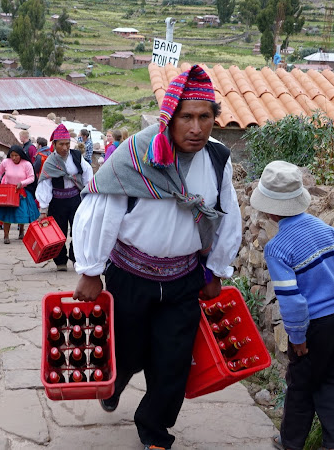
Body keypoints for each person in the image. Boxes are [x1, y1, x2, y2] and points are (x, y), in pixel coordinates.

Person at [72, 65, 242, 450]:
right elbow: (102, 211)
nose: (196, 128)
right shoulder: (137, 155)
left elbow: (228, 214)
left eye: (205, 117)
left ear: (214, 118)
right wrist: (91, 270)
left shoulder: (217, 159)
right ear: (170, 117)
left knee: (172, 362)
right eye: (187, 117)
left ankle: (154, 430)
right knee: (127, 350)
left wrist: (217, 270)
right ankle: (114, 383)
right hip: (130, 277)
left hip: (184, 279)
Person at [249, 160, 334, 450]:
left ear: (270, 209)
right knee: (333, 381)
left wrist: (297, 336)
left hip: (314, 325)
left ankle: (291, 442)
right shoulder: (326, 230)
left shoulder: (278, 248)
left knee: (301, 384)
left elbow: (292, 300)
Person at [36, 124, 93, 271]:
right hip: (57, 202)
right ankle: (60, 261)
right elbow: (45, 184)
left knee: (79, 229)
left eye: (67, 144)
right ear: (54, 144)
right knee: (59, 232)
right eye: (61, 144)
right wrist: (43, 209)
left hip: (75, 199)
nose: (65, 147)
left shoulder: (76, 156)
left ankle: (75, 257)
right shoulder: (50, 162)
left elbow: (87, 174)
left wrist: (88, 195)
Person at [0, 145, 40, 244]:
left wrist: (22, 183)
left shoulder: (27, 164)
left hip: (21, 191)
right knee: (6, 214)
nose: (14, 158)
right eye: (12, 155)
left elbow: (31, 178)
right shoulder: (6, 162)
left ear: (21, 155)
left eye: (16, 155)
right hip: (8, 191)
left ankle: (21, 230)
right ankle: (6, 235)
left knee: (21, 213)